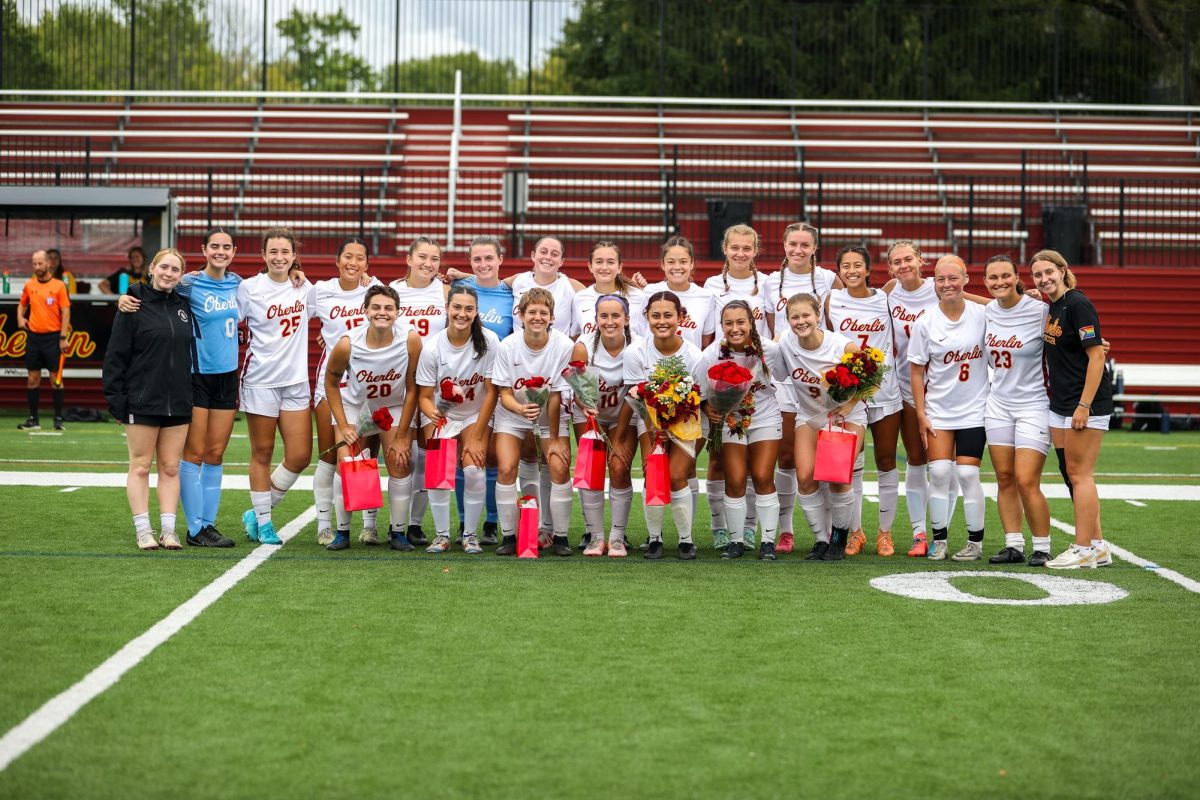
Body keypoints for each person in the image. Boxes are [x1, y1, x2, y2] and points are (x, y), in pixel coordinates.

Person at [115, 227, 241, 548]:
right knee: (191, 455)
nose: (220, 251)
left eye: (226, 247)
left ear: (234, 251)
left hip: (227, 378)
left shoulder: (241, 285)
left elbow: (276, 284)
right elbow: (149, 288)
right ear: (204, 249)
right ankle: (194, 528)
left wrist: (295, 272)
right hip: (195, 377)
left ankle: (207, 526)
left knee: (215, 453)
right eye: (214, 246)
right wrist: (124, 295)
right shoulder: (189, 283)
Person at [102, 249, 193, 550]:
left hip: (178, 401)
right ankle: (144, 530)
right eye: (164, 267)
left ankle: (169, 531)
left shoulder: (184, 305)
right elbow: (116, 356)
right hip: (141, 401)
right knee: (140, 466)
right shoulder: (132, 304)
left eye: (175, 269)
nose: (168, 273)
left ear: (182, 275)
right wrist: (116, 399)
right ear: (152, 268)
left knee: (170, 468)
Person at [1033, 250, 1115, 569]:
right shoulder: (1053, 305)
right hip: (1061, 402)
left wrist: (1084, 406)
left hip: (1084, 403)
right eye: (1037, 275)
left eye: (1048, 272)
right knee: (1071, 474)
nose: (1044, 279)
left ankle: (1082, 549)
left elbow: (1097, 357)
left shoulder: (1078, 303)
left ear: (1062, 270)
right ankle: (1097, 545)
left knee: (1080, 474)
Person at [322, 285, 420, 552]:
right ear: (365, 310)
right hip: (357, 406)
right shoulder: (348, 343)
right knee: (348, 463)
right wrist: (343, 425)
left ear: (398, 312)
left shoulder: (410, 339)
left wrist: (401, 436)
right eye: (376, 307)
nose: (382, 312)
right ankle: (342, 532)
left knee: (401, 462)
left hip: (394, 406)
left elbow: (413, 388)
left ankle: (397, 532)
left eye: (388, 308)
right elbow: (330, 382)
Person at [772, 293, 866, 561]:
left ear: (818, 316)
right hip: (810, 415)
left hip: (845, 415)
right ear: (788, 320)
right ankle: (821, 540)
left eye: (806, 315)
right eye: (795, 317)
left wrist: (851, 404)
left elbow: (874, 371)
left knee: (837, 478)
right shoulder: (785, 343)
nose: (801, 321)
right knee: (805, 477)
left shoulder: (840, 345)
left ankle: (839, 538)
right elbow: (774, 369)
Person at [908, 256, 990, 561]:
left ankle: (975, 543)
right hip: (939, 410)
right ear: (934, 283)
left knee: (968, 475)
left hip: (974, 409)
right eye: (941, 279)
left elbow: (1011, 309)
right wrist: (920, 413)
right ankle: (939, 540)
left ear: (966, 279)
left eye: (953, 278)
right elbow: (917, 371)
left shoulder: (982, 315)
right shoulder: (925, 322)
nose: (947, 285)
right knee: (940, 472)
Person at [237, 228, 313, 546]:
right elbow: (229, 322)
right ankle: (266, 523)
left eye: (285, 252)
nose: (280, 257)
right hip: (260, 381)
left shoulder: (305, 288)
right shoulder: (249, 288)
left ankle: (257, 512)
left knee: (300, 455)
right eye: (274, 252)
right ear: (263, 255)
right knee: (263, 452)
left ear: (294, 256)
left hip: (295, 381)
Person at [490, 288, 579, 556]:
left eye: (543, 313)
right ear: (521, 315)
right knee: (506, 468)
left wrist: (552, 437)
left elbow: (555, 395)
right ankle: (509, 536)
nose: (537, 317)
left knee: (559, 466)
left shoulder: (564, 345)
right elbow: (503, 392)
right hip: (511, 415)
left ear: (552, 317)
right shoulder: (508, 346)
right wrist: (519, 408)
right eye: (532, 312)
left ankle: (560, 536)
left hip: (551, 417)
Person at [825, 245, 902, 557]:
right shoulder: (831, 300)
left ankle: (885, 533)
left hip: (884, 390)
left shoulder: (888, 296)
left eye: (858, 265)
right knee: (850, 467)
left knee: (886, 461)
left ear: (869, 269)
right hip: (849, 397)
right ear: (839, 271)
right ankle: (856, 532)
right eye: (846, 266)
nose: (852, 270)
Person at [619, 291, 705, 560]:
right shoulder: (634, 352)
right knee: (652, 471)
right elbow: (636, 398)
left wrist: (673, 427)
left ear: (681, 317)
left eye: (668, 315)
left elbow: (700, 401)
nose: (662, 321)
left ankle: (685, 540)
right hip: (650, 422)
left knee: (678, 475)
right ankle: (654, 538)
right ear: (646, 317)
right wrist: (655, 428)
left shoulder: (694, 355)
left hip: (686, 423)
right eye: (655, 315)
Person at [981, 255, 1054, 567]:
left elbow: (1071, 338)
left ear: (1017, 277)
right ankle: (1013, 544)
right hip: (997, 404)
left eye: (1005, 276)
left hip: (1034, 405)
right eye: (992, 277)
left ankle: (1042, 546)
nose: (999, 282)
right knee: (1004, 477)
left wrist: (1097, 344)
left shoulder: (1040, 311)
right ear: (985, 281)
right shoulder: (986, 312)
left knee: (1026, 479)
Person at [416, 284, 499, 554]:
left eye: (468, 309)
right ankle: (441, 535)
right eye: (457, 307)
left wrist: (476, 436)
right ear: (447, 309)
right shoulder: (432, 348)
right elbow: (424, 396)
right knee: (438, 471)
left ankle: (470, 534)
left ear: (476, 312)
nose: (462, 314)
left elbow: (490, 392)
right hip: (443, 414)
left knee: (474, 469)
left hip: (475, 413)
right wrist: (431, 413)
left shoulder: (489, 342)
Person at [699, 300, 782, 560]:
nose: (735, 328)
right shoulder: (712, 353)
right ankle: (735, 541)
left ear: (751, 323)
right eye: (728, 323)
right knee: (734, 480)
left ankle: (768, 542)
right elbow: (700, 390)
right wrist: (706, 408)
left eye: (740, 322)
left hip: (765, 416)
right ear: (721, 326)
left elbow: (790, 375)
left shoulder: (770, 350)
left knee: (761, 475)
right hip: (730, 420)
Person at [311, 238, 380, 546]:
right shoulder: (319, 290)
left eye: (360, 258)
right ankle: (325, 525)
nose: (353, 263)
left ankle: (369, 525)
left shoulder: (376, 289)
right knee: (330, 457)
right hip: (332, 383)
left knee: (365, 455)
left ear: (367, 264)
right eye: (347, 257)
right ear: (337, 260)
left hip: (367, 384)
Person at [448, 235, 515, 545]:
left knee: (489, 455)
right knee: (466, 455)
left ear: (500, 260)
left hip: (499, 386)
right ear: (470, 262)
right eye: (477, 259)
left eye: (490, 258)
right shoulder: (460, 292)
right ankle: (465, 521)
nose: (484, 264)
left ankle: (491, 522)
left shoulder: (512, 292)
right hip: (465, 388)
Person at [389, 236, 450, 547]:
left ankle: (414, 524)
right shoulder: (393, 291)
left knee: (429, 454)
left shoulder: (445, 292)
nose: (428, 263)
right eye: (423, 257)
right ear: (409, 259)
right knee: (402, 455)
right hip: (397, 381)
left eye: (435, 258)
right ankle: (389, 523)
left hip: (433, 384)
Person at [574, 293, 639, 557]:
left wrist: (618, 439)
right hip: (590, 414)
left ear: (626, 319)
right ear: (596, 319)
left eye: (615, 316)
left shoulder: (637, 348)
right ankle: (595, 537)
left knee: (619, 465)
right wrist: (586, 409)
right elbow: (577, 389)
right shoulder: (583, 346)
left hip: (625, 413)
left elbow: (633, 396)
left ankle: (617, 537)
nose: (609, 321)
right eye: (604, 316)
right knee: (591, 470)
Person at [16, 249, 70, 431]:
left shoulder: (59, 286)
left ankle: (58, 419)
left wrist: (63, 337)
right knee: (32, 378)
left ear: (48, 264)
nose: (37, 267)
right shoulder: (30, 285)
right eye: (34, 263)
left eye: (40, 263)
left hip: (53, 338)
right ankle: (33, 419)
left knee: (56, 378)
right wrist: (20, 317)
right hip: (34, 338)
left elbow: (66, 312)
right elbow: (22, 304)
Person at [638, 235, 717, 350]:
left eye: (683, 262)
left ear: (692, 264)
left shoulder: (706, 296)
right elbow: (641, 333)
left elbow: (705, 341)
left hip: (689, 365)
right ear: (663, 264)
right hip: (653, 364)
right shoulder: (650, 292)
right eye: (671, 262)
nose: (677, 267)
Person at [573, 241, 647, 339]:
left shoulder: (638, 297)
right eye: (599, 262)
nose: (604, 267)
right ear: (590, 266)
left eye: (610, 262)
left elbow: (644, 337)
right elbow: (576, 335)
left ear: (619, 267)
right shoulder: (580, 298)